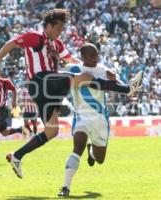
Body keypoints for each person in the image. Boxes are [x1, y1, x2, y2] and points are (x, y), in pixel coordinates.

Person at [0, 9, 142, 178]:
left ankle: (17, 156)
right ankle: (127, 89)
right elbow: (11, 44)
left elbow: (73, 61)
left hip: (47, 90)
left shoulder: (57, 44)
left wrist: (103, 71)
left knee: (52, 131)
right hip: (40, 80)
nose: (60, 33)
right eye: (58, 29)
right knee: (84, 78)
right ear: (49, 26)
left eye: (62, 30)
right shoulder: (35, 36)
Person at [58, 43, 121, 197]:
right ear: (83, 57)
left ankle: (91, 152)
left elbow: (117, 84)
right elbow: (58, 75)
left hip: (101, 120)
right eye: (92, 56)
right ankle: (65, 187)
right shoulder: (74, 70)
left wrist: (114, 79)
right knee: (76, 149)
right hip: (82, 117)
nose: (95, 58)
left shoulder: (103, 70)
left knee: (99, 159)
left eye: (96, 55)